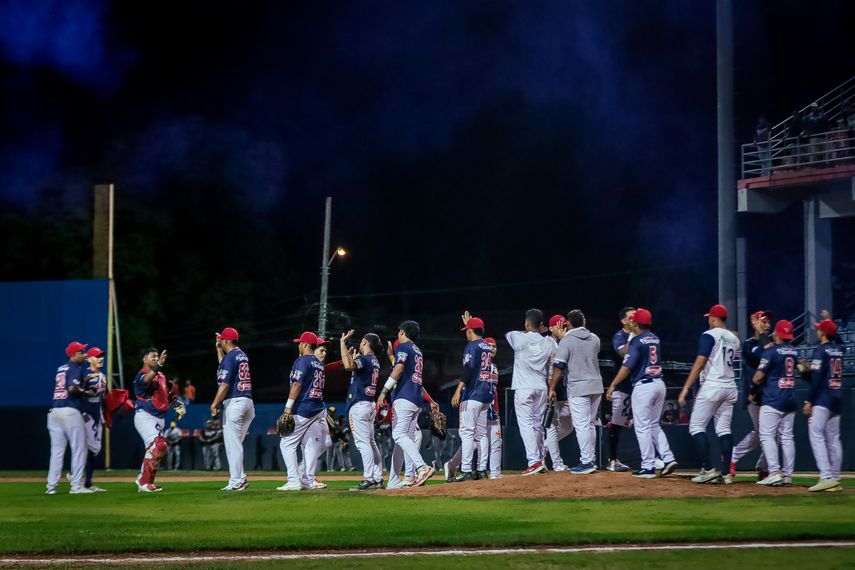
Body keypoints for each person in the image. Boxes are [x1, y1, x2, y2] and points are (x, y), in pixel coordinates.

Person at [606, 308, 678, 478]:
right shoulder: (655, 338)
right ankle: (668, 458)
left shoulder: (637, 341)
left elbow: (627, 366)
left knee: (642, 426)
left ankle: (648, 466)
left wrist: (613, 384)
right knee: (654, 425)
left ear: (636, 323)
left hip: (644, 385)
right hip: (659, 384)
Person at [678, 304, 740, 485]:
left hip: (713, 386)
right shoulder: (734, 338)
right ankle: (727, 473)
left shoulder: (709, 335)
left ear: (713, 319)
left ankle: (708, 469)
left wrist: (686, 387)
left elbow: (700, 362)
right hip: (730, 386)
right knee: (724, 429)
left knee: (696, 427)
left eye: (709, 318)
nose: (708, 320)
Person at [376, 320, 438, 489]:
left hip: (405, 397)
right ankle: (408, 476)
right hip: (416, 398)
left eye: (399, 331)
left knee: (398, 435)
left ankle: (422, 467)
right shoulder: (417, 351)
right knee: (406, 437)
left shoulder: (403, 346)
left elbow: (399, 368)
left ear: (402, 332)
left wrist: (383, 391)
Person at [278, 332, 333, 491]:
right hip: (316, 408)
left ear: (305, 345)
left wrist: (288, 407)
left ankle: (294, 481)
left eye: (300, 342)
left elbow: (297, 385)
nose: (298, 345)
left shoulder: (303, 360)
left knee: (286, 443)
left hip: (304, 407)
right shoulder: (318, 363)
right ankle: (308, 480)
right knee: (310, 445)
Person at [551, 309, 603, 475]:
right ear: (584, 322)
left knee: (581, 425)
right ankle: (591, 459)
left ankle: (586, 461)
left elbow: (559, 367)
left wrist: (551, 387)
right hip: (596, 386)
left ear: (569, 323)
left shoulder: (567, 340)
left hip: (578, 386)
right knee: (590, 424)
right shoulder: (595, 338)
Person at [506, 309, 553, 476]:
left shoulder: (517, 336)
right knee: (538, 426)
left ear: (526, 324)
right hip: (541, 387)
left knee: (526, 425)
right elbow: (552, 366)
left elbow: (509, 334)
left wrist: (532, 330)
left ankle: (534, 462)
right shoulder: (549, 342)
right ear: (541, 325)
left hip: (524, 387)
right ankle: (541, 460)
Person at [751, 320, 798, 487]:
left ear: (777, 334)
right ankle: (787, 475)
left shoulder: (771, 352)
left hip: (772, 399)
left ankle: (774, 471)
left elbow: (758, 377)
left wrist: (753, 388)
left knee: (767, 436)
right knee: (787, 437)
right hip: (790, 400)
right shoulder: (793, 351)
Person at [450, 313, 496, 482]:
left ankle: (467, 470)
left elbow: (468, 370)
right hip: (486, 393)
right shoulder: (487, 346)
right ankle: (482, 470)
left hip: (473, 393)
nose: (466, 333)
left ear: (470, 331)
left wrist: (458, 390)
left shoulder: (471, 346)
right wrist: (469, 325)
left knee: (467, 432)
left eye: (467, 330)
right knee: (481, 434)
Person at [210, 327, 255, 491]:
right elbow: (224, 367)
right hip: (248, 403)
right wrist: (218, 349)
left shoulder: (230, 357)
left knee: (233, 445)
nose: (220, 341)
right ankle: (240, 478)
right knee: (234, 444)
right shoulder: (241, 355)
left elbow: (224, 384)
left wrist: (214, 403)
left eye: (222, 339)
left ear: (227, 341)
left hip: (235, 402)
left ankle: (236, 481)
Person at [46, 341, 93, 495]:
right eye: (81, 352)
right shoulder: (75, 367)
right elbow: (72, 388)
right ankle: (76, 486)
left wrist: (83, 384)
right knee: (79, 448)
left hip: (54, 411)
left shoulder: (61, 368)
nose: (84, 354)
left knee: (57, 451)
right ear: (73, 354)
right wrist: (86, 392)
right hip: (69, 411)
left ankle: (51, 487)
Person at [340, 330, 384, 490]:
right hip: (369, 404)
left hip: (359, 405)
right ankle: (377, 478)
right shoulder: (374, 360)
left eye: (362, 342)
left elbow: (348, 366)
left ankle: (369, 478)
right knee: (371, 443)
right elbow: (354, 365)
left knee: (363, 443)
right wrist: (352, 356)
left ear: (365, 343)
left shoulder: (366, 359)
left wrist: (342, 344)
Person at [803, 319, 844, 492]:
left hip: (823, 398)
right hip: (837, 396)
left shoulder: (820, 350)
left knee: (816, 434)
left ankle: (826, 476)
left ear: (823, 333)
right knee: (834, 439)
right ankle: (834, 478)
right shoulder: (839, 350)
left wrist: (809, 401)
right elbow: (839, 341)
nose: (817, 331)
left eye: (819, 329)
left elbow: (816, 379)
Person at [731, 310, 772, 478]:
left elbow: (769, 353)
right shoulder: (749, 344)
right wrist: (762, 335)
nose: (767, 324)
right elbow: (760, 357)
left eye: (768, 321)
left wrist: (764, 335)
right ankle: (733, 458)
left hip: (770, 393)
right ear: (755, 322)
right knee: (763, 432)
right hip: (754, 394)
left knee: (767, 433)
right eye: (763, 320)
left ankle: (763, 466)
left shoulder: (770, 342)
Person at [133, 347, 172, 492]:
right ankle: (144, 482)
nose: (156, 358)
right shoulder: (141, 375)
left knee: (158, 450)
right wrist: (159, 365)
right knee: (158, 445)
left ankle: (144, 480)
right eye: (152, 356)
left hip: (159, 417)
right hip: (145, 415)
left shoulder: (160, 375)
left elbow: (166, 393)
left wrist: (176, 403)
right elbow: (146, 381)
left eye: (157, 356)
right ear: (144, 359)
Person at [606, 307, 635, 472]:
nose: (635, 317)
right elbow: (624, 353)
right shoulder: (620, 336)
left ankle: (655, 458)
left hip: (638, 386)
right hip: (622, 386)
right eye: (632, 315)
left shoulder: (643, 334)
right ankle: (612, 460)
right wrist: (632, 335)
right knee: (617, 424)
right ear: (624, 320)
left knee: (645, 422)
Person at [544, 315, 573, 472]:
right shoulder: (548, 343)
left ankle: (543, 447)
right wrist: (551, 388)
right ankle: (556, 463)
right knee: (552, 426)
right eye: (558, 325)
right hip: (551, 386)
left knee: (568, 426)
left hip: (563, 387)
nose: (562, 328)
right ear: (550, 328)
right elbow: (548, 368)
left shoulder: (565, 341)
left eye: (564, 326)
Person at [80, 347, 107, 491]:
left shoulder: (103, 376)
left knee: (94, 449)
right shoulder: (85, 374)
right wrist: (84, 384)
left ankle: (87, 482)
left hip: (98, 415)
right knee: (92, 448)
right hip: (86, 415)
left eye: (101, 356)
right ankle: (78, 476)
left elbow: (104, 398)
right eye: (97, 356)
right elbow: (76, 392)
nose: (101, 358)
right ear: (89, 359)